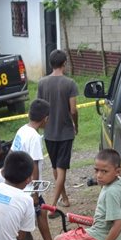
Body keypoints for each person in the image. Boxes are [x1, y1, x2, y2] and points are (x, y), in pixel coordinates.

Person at [11, 98, 57, 240]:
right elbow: (35, 165)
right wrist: (35, 193)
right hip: (29, 187)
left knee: (41, 214)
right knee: (29, 220)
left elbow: (12, 154)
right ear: (45, 118)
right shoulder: (35, 138)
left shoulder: (22, 130)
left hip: (18, 182)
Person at [36, 49, 79, 209]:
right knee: (61, 169)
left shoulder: (42, 83)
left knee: (56, 167)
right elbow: (73, 110)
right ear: (64, 64)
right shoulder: (70, 83)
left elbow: (38, 107)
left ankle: (65, 198)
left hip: (49, 133)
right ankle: (53, 205)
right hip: (65, 132)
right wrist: (76, 124)